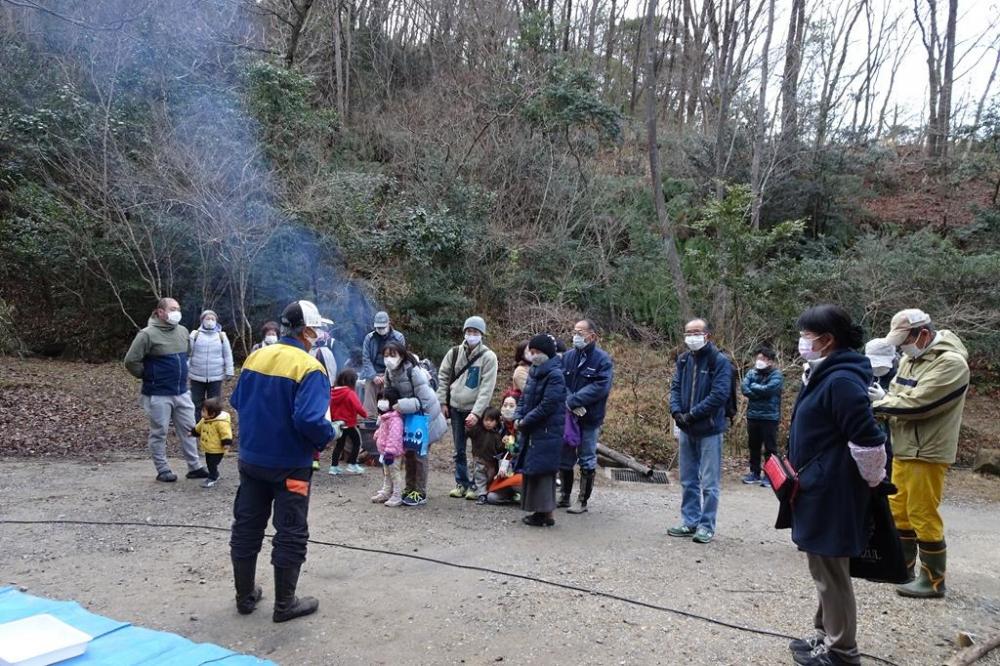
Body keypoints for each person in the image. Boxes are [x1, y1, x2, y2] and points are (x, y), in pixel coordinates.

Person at [229, 300, 342, 623]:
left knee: (247, 526)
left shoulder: (255, 357)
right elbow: (309, 418)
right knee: (291, 529)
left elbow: (238, 401)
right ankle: (285, 604)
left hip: (251, 461)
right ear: (306, 331)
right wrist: (327, 434)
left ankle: (245, 596)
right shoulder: (310, 368)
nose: (318, 335)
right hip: (291, 466)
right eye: (316, 330)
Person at [786, 305, 887, 666]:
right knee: (822, 566)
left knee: (832, 571)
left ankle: (843, 651)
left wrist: (874, 480)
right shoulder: (823, 371)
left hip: (833, 490)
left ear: (827, 340)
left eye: (806, 336)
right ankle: (823, 635)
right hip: (816, 485)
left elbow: (868, 440)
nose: (801, 342)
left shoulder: (841, 380)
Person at [872, 309, 969, 599]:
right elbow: (898, 396)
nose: (902, 348)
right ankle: (902, 567)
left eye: (905, 341)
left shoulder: (951, 364)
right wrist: (885, 400)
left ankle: (933, 580)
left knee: (922, 512)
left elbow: (919, 405)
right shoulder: (909, 360)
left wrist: (879, 404)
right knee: (898, 508)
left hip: (928, 450)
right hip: (903, 445)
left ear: (923, 334)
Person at [124, 297, 208, 482]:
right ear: (160, 312)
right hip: (158, 394)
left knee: (189, 429)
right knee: (159, 432)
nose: (176, 312)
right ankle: (162, 469)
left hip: (181, 391)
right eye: (172, 309)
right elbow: (131, 361)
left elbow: (187, 353)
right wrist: (147, 375)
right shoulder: (147, 334)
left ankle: (194, 467)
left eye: (178, 308)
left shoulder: (183, 331)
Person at [668, 318, 732, 544]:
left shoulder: (719, 361)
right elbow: (675, 387)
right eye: (688, 332)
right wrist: (676, 411)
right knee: (687, 478)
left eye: (696, 332)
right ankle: (689, 521)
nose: (691, 337)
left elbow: (719, 395)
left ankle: (706, 525)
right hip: (686, 428)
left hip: (709, 429)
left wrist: (692, 414)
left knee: (709, 481)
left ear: (707, 335)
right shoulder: (684, 360)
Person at [437, 316, 499, 500]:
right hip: (455, 407)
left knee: (479, 451)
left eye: (475, 332)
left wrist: (476, 413)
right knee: (459, 449)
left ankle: (476, 484)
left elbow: (487, 387)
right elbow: (443, 376)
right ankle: (461, 483)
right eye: (469, 331)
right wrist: (442, 402)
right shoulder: (455, 352)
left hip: (475, 410)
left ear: (481, 334)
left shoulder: (488, 357)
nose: (471, 335)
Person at [383, 341, 448, 507]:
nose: (389, 359)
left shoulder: (413, 371)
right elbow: (389, 394)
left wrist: (403, 405)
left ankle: (420, 491)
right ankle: (409, 487)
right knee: (409, 454)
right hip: (409, 419)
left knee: (420, 456)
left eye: (393, 355)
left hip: (425, 419)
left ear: (402, 355)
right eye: (386, 355)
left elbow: (427, 400)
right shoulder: (389, 372)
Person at [559, 319, 614, 514]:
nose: (576, 336)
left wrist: (575, 401)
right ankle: (564, 496)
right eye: (575, 331)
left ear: (592, 336)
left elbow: (601, 386)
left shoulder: (602, 360)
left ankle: (582, 500)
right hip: (568, 417)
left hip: (590, 417)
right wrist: (569, 402)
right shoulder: (567, 356)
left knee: (587, 457)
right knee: (564, 457)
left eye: (580, 333)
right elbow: (559, 381)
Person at [514, 334, 566, 527]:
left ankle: (544, 513)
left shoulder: (555, 374)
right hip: (533, 429)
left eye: (537, 352)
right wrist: (518, 415)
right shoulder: (535, 371)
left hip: (546, 430)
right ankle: (539, 511)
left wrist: (525, 421)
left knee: (543, 471)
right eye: (532, 352)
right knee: (533, 468)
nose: (533, 356)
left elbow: (548, 405)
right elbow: (525, 397)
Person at [740, 347, 783, 487]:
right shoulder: (752, 372)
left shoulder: (776, 374)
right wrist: (758, 391)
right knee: (753, 446)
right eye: (758, 358)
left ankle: (770, 476)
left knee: (770, 448)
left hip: (770, 417)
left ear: (770, 361)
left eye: (763, 359)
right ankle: (754, 473)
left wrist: (754, 388)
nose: (759, 361)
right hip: (753, 415)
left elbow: (770, 390)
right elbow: (744, 388)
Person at [188, 309, 235, 420]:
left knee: (213, 403)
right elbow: (188, 354)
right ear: (202, 320)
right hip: (196, 376)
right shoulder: (195, 335)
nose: (210, 320)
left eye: (212, 319)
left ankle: (213, 424)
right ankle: (197, 425)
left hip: (216, 376)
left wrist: (229, 371)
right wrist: (185, 370)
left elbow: (228, 355)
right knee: (196, 402)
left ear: (216, 321)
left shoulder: (222, 336)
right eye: (207, 318)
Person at [359, 311, 406, 414]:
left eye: (382, 327)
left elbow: (400, 360)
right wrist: (373, 376)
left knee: (391, 394)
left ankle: (392, 417)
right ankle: (370, 417)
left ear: (389, 323)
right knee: (369, 386)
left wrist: (386, 376)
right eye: (378, 328)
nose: (380, 330)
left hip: (392, 372)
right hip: (373, 373)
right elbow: (366, 359)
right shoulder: (369, 338)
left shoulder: (399, 338)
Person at [864, 338, 898, 477]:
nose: (876, 368)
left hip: (893, 439)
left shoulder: (900, 375)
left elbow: (908, 405)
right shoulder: (867, 375)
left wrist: (884, 398)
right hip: (872, 437)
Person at [328, 368, 368, 475]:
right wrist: (365, 415)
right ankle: (352, 464)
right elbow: (358, 406)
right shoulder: (349, 393)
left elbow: (330, 408)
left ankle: (333, 467)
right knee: (357, 442)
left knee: (339, 445)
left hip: (338, 424)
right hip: (349, 424)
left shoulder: (333, 391)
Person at [372, 386, 405, 507]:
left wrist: (390, 452)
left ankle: (397, 495)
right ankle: (386, 491)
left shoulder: (395, 419)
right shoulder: (385, 417)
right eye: (380, 399)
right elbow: (383, 430)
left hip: (393, 453)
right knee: (387, 472)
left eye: (385, 399)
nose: (381, 402)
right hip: (385, 452)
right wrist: (377, 434)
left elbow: (394, 437)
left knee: (395, 473)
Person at [309, 325, 337, 470]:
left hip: (321, 390)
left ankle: (315, 456)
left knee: (316, 420)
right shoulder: (310, 350)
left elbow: (330, 373)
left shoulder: (325, 352)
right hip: (312, 390)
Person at [487, 391, 522, 504]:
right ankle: (510, 495)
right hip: (502, 472)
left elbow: (520, 452)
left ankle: (528, 496)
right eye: (505, 405)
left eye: (512, 406)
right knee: (492, 497)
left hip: (519, 473)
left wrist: (511, 445)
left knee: (520, 486)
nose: (507, 408)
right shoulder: (497, 427)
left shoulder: (523, 427)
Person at [191, 397, 233, 488]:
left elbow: (226, 433)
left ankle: (213, 477)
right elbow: (198, 427)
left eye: (204, 411)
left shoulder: (221, 423)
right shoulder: (205, 420)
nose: (201, 413)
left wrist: (226, 443)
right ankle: (214, 473)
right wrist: (193, 432)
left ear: (212, 414)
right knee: (209, 462)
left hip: (217, 449)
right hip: (209, 448)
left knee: (212, 463)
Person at [469, 406, 505, 505]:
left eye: (492, 420)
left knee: (490, 478)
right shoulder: (478, 430)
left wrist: (504, 444)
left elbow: (500, 449)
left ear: (496, 422)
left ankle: (487, 492)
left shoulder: (497, 435)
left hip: (491, 463)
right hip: (479, 460)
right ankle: (482, 495)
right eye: (486, 420)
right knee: (480, 478)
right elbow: (468, 432)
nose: (488, 423)